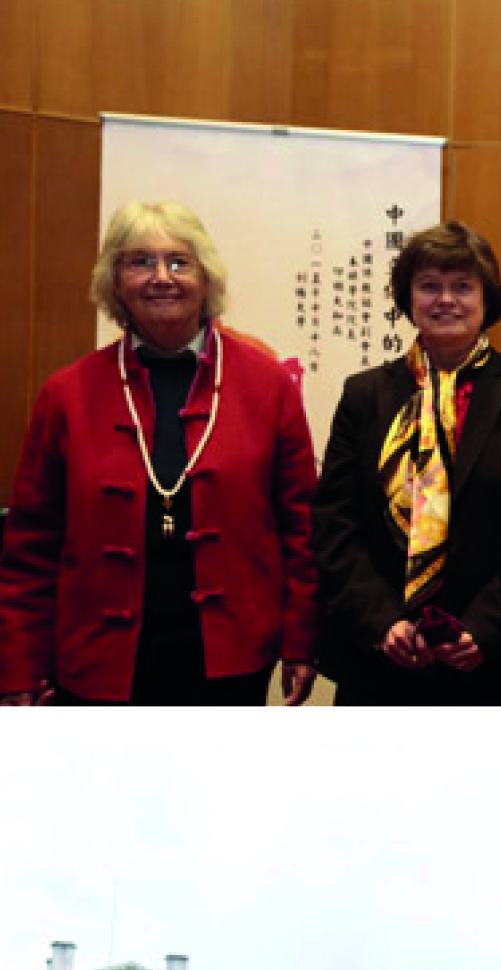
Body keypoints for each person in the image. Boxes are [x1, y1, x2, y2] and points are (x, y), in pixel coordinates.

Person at [0, 200, 318, 706]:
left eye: (178, 261)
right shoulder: (66, 394)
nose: (161, 277)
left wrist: (302, 642)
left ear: (206, 278)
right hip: (96, 667)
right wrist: (17, 670)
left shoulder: (268, 387)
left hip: (231, 663)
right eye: (140, 262)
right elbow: (30, 548)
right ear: (115, 283)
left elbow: (302, 529)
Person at [313, 221, 501, 705]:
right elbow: (334, 522)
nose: (445, 299)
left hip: (494, 656)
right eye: (429, 286)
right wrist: (382, 621)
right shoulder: (364, 394)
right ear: (408, 298)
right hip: (380, 656)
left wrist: (483, 628)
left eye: (462, 286)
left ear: (487, 297)